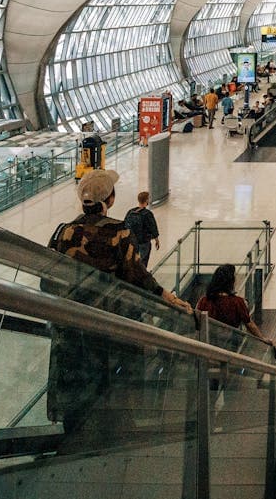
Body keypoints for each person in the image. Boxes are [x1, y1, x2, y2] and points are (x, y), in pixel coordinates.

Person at [46, 170, 192, 440]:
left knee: (76, 383)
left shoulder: (65, 232)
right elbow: (135, 274)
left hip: (71, 324)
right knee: (109, 382)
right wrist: (165, 296)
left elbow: (50, 277)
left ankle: (72, 436)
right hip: (108, 326)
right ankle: (111, 436)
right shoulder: (119, 233)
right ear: (110, 200)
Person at [196, 265, 274, 347]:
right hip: (230, 344)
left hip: (208, 344)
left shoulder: (204, 300)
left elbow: (197, 318)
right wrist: (263, 338)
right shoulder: (238, 302)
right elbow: (249, 324)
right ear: (231, 282)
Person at [123, 191, 160, 267]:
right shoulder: (147, 214)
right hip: (144, 242)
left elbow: (124, 225)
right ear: (146, 200)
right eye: (149, 198)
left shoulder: (130, 212)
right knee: (143, 261)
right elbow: (153, 227)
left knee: (133, 260)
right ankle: (142, 275)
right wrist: (156, 240)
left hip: (132, 241)